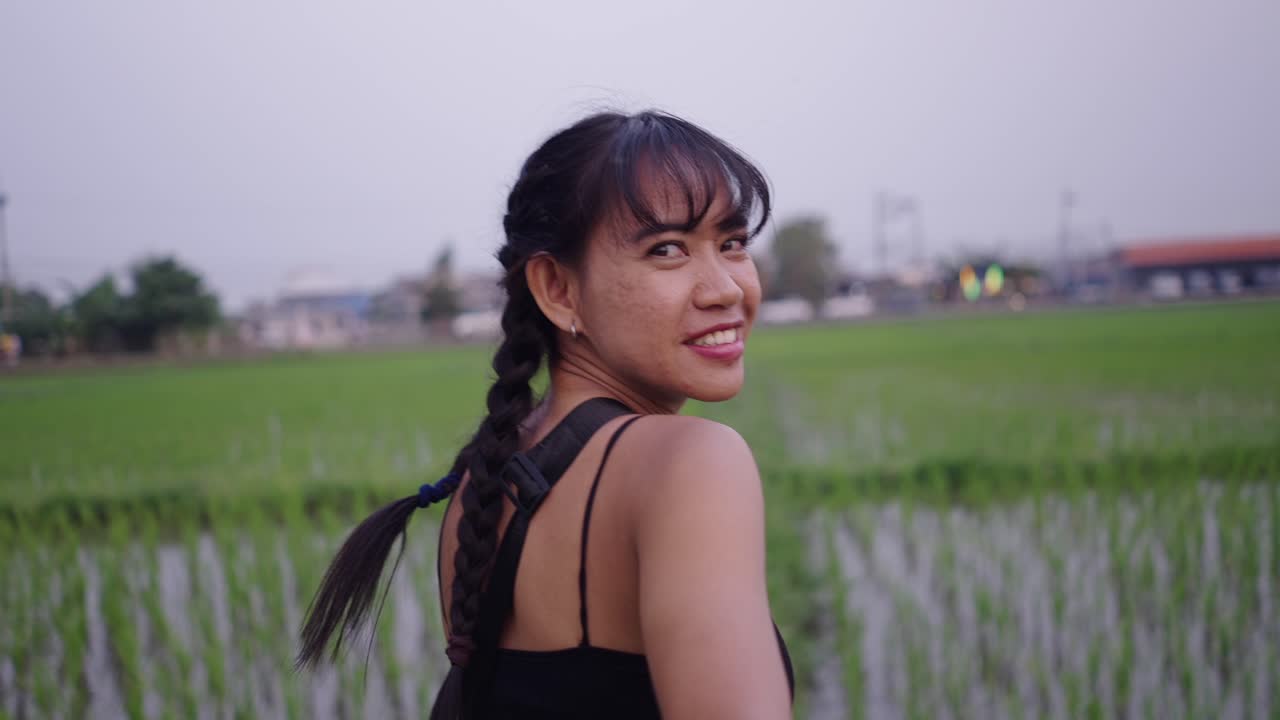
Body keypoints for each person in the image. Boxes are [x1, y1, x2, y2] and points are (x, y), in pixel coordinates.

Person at [298, 110, 794, 719]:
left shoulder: (483, 483)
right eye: (667, 249)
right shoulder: (693, 463)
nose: (725, 288)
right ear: (558, 289)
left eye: (733, 243)